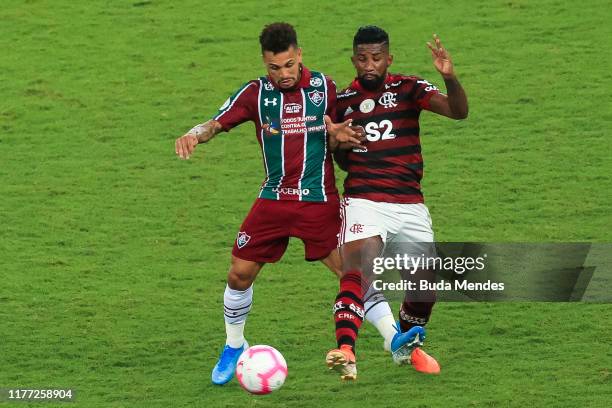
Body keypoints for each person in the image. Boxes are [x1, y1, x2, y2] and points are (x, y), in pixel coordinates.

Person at [174, 22, 365, 386]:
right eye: (274, 68)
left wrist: (338, 137)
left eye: (289, 65)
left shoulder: (325, 87)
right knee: (238, 274)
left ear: (299, 56)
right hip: (273, 199)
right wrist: (194, 134)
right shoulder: (256, 93)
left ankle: (398, 339)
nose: (283, 75)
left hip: (318, 201)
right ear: (265, 64)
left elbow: (343, 137)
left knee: (351, 275)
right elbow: (215, 123)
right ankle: (234, 345)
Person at [325, 26, 469, 380]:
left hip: (409, 204)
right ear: (353, 60)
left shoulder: (409, 88)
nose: (369, 65)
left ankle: (404, 342)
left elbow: (457, 111)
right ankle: (345, 347)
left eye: (376, 58)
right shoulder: (342, 102)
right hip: (364, 200)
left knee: (425, 287)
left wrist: (450, 78)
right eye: (362, 59)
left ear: (389, 59)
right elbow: (340, 161)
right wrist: (337, 144)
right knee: (358, 269)